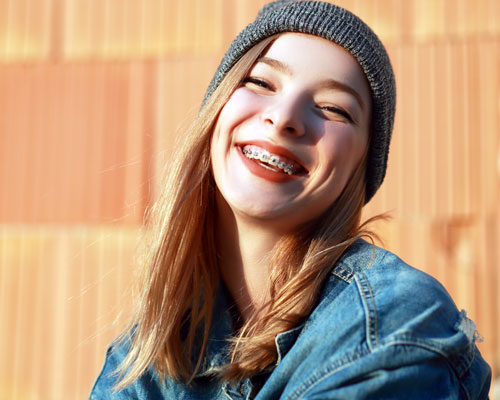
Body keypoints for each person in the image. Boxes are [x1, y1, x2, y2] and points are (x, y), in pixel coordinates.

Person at [90, 1, 492, 398]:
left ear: (359, 168)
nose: (284, 118)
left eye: (333, 108)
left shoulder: (391, 322)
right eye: (261, 83)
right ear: (217, 109)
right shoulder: (140, 359)